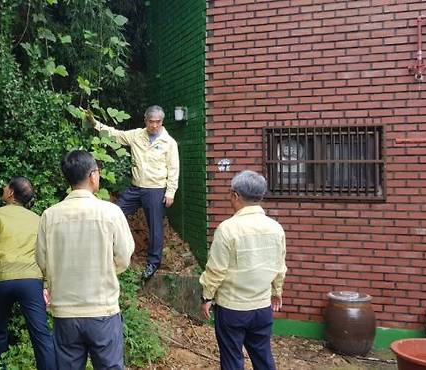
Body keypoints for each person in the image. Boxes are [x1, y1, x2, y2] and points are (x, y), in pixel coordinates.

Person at [36, 150, 135, 370]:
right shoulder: (110, 212)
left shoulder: (49, 216)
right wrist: (104, 270)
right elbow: (124, 257)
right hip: (102, 310)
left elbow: (42, 261)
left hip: (65, 313)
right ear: (92, 175)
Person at [199, 170, 287, 370]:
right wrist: (277, 291)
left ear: (236, 195)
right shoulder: (276, 228)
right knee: (263, 357)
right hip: (262, 307)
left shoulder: (228, 229)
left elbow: (216, 270)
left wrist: (207, 298)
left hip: (232, 308)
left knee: (232, 360)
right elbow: (279, 267)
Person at [87, 105, 179, 279]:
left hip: (156, 189)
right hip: (136, 187)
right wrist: (94, 124)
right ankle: (106, 251)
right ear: (145, 121)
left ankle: (153, 262)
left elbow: (174, 168)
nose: (154, 125)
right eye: (151, 122)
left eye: (158, 122)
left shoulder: (169, 143)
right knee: (115, 212)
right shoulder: (137, 135)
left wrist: (171, 192)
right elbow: (115, 134)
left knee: (155, 227)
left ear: (162, 122)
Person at [0, 177, 56, 370]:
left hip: (1, 278)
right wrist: (46, 282)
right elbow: (45, 252)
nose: (3, 188)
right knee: (40, 334)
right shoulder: (38, 219)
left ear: (11, 193)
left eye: (6, 187)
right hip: (31, 281)